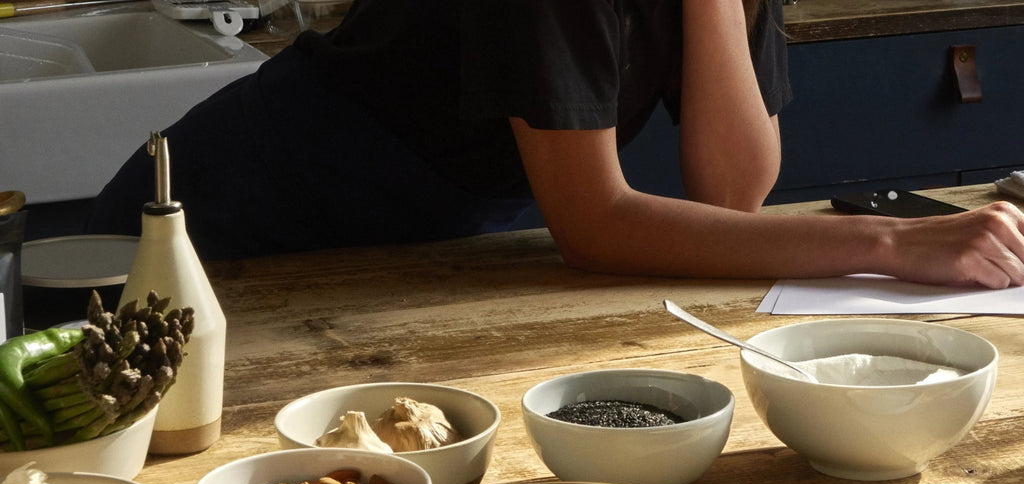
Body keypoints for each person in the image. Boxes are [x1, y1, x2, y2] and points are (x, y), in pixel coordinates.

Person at [86, 0, 1024, 289]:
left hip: (421, 241)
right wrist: (893, 244)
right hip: (233, 221)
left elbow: (733, 186)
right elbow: (595, 224)